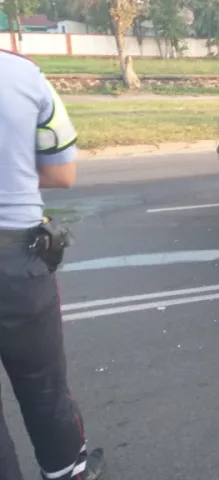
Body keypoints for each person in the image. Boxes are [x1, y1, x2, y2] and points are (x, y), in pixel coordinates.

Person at [0, 50, 105, 480]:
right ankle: (67, 473)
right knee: (44, 387)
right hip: (15, 263)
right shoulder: (23, 74)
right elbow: (62, 174)